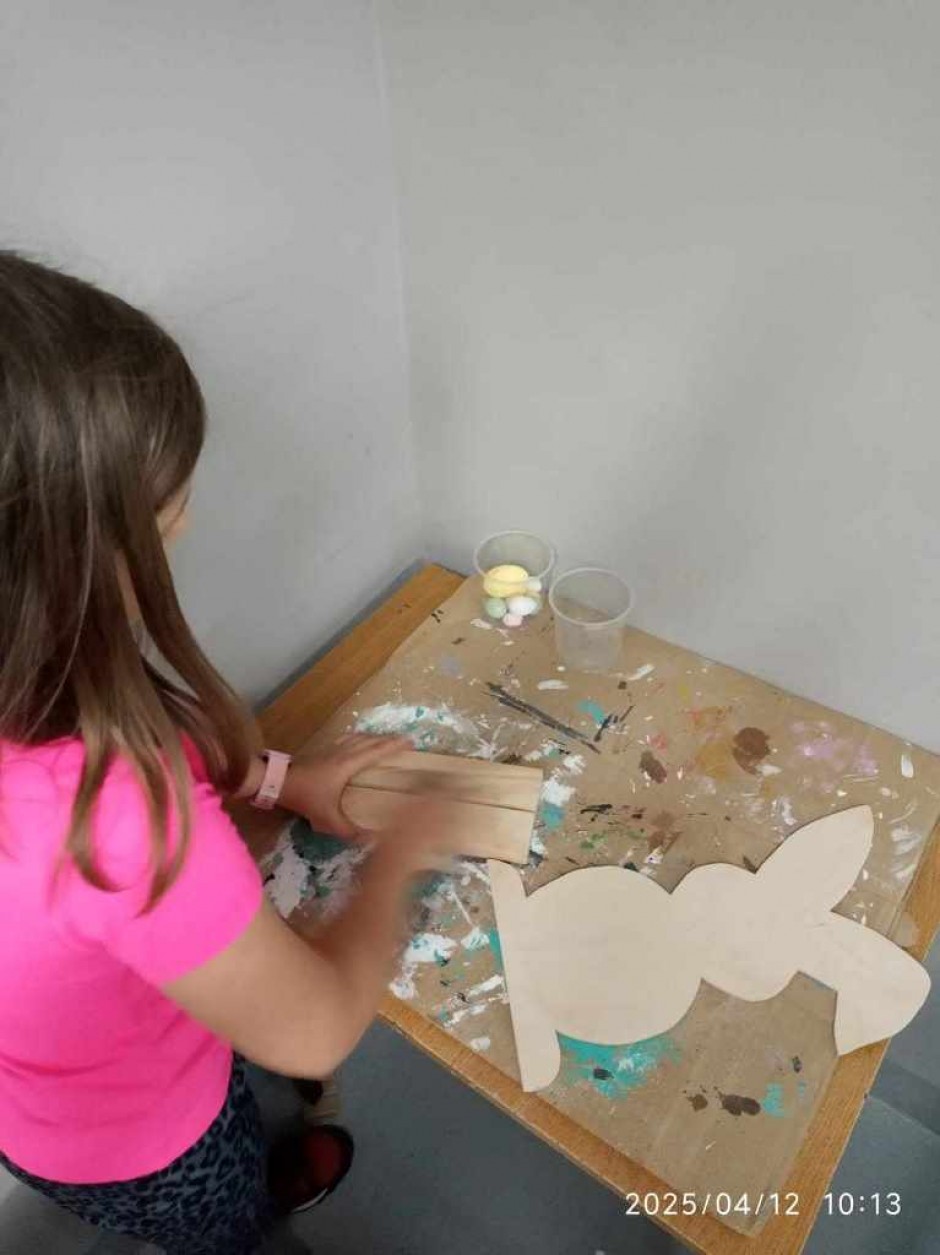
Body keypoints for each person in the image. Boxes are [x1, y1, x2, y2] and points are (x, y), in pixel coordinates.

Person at [0, 251, 452, 1253]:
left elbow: (136, 744)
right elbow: (317, 1025)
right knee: (226, 1221)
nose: (188, 517)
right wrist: (405, 854)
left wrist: (288, 781)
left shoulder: (39, 697)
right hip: (149, 1139)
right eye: (159, 514)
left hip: (37, 1105)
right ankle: (244, 1213)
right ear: (55, 560)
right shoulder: (114, 813)